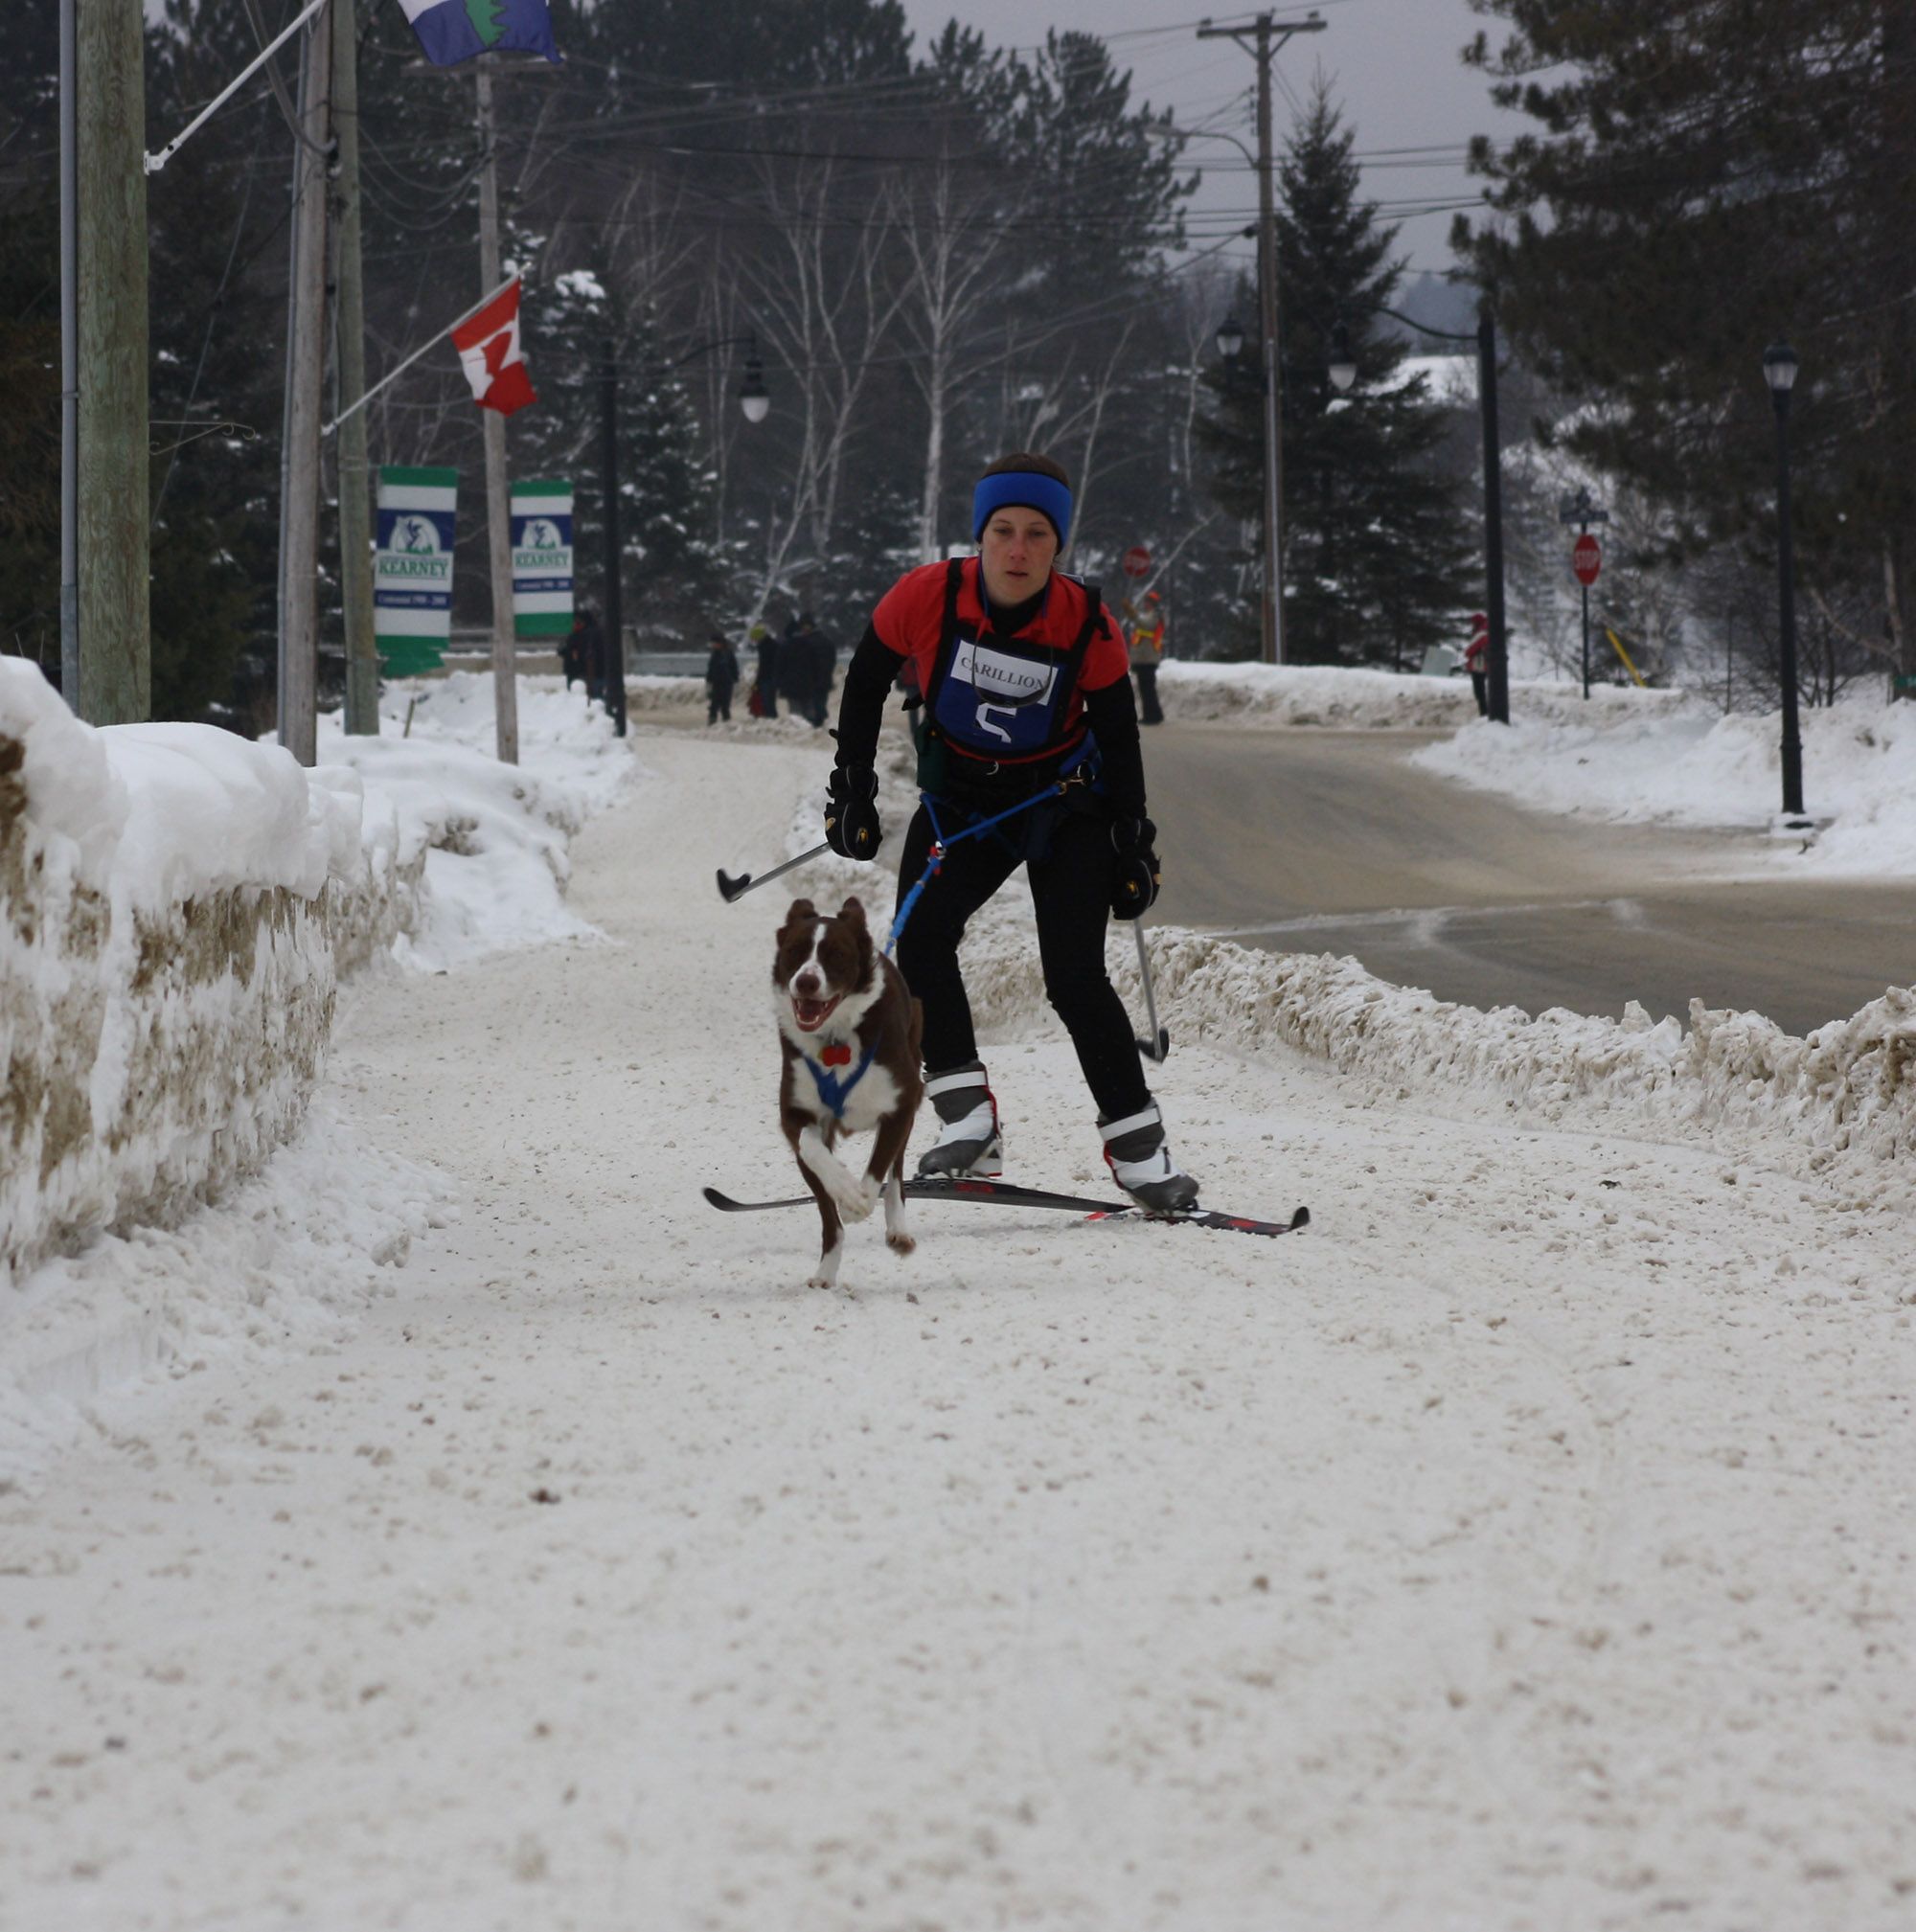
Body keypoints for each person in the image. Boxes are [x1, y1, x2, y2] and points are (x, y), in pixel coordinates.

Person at [821, 450, 1198, 1213]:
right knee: (920, 941)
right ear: (980, 535)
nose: (1018, 550)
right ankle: (969, 1124)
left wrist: (1133, 841)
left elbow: (1120, 738)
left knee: (1074, 976)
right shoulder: (928, 595)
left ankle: (1142, 1155)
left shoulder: (1088, 623)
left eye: (1036, 534)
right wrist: (853, 791)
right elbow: (864, 682)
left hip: (1066, 804)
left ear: (1058, 546)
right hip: (963, 801)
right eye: (1003, 531)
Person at [1127, 588, 1167, 725]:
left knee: (1148, 689)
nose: (1146, 604)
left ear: (1153, 603)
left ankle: (1152, 716)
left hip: (1148, 658)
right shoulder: (1151, 614)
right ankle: (1154, 714)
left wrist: (1134, 615)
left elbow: (1146, 625)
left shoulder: (1155, 615)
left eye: (1148, 602)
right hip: (1144, 658)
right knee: (1146, 689)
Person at [796, 611, 837, 727]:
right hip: (824, 679)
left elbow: (805, 663)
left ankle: (817, 725)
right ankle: (822, 724)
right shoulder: (827, 641)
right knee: (820, 703)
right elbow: (832, 661)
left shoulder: (807, 642)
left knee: (813, 706)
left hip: (811, 680)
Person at [704, 627, 741, 724]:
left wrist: (735, 680)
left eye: (714, 643)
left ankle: (726, 723)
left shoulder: (727, 653)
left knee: (725, 705)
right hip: (716, 683)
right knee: (714, 705)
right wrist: (709, 681)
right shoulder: (715, 654)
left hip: (726, 683)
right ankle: (712, 722)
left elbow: (734, 668)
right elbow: (711, 669)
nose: (713, 645)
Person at [573, 605, 607, 704]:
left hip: (591, 671)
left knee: (594, 698)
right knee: (600, 697)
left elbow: (583, 653)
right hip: (602, 670)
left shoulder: (585, 634)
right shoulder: (600, 632)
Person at [750, 621, 779, 719]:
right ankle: (771, 718)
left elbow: (764, 666)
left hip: (767, 678)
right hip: (773, 677)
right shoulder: (773, 645)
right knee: (770, 701)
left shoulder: (765, 648)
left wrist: (757, 682)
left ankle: (770, 719)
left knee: (767, 702)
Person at [1464, 610, 1490, 716]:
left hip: (1478, 665)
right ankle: (1485, 712)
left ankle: (1484, 713)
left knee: (1479, 691)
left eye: (1473, 622)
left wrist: (1468, 652)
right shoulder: (1486, 631)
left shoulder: (1481, 634)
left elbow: (1469, 650)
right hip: (1484, 664)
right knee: (1482, 690)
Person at [560, 610, 589, 692]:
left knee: (573, 688)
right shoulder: (584, 637)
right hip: (580, 668)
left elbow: (563, 651)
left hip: (574, 668)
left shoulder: (572, 637)